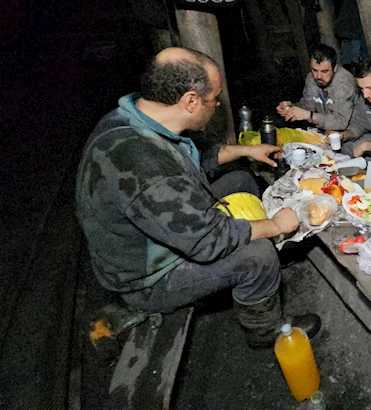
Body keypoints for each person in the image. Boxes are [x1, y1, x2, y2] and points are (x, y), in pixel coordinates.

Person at [75, 47, 321, 348]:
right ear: (190, 101)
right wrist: (276, 226)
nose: (217, 104)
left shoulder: (134, 118)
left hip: (157, 230)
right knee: (257, 255)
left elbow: (191, 158)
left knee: (241, 180)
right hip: (147, 277)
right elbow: (208, 241)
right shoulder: (145, 166)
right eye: (214, 98)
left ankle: (263, 273)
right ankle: (265, 330)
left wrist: (247, 150)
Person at [276, 44, 357, 132]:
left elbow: (340, 122)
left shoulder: (344, 84)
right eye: (314, 70)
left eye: (324, 71)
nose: (318, 76)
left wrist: (310, 115)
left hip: (351, 132)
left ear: (335, 68)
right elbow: (308, 106)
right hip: (324, 130)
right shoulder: (311, 79)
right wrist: (291, 108)